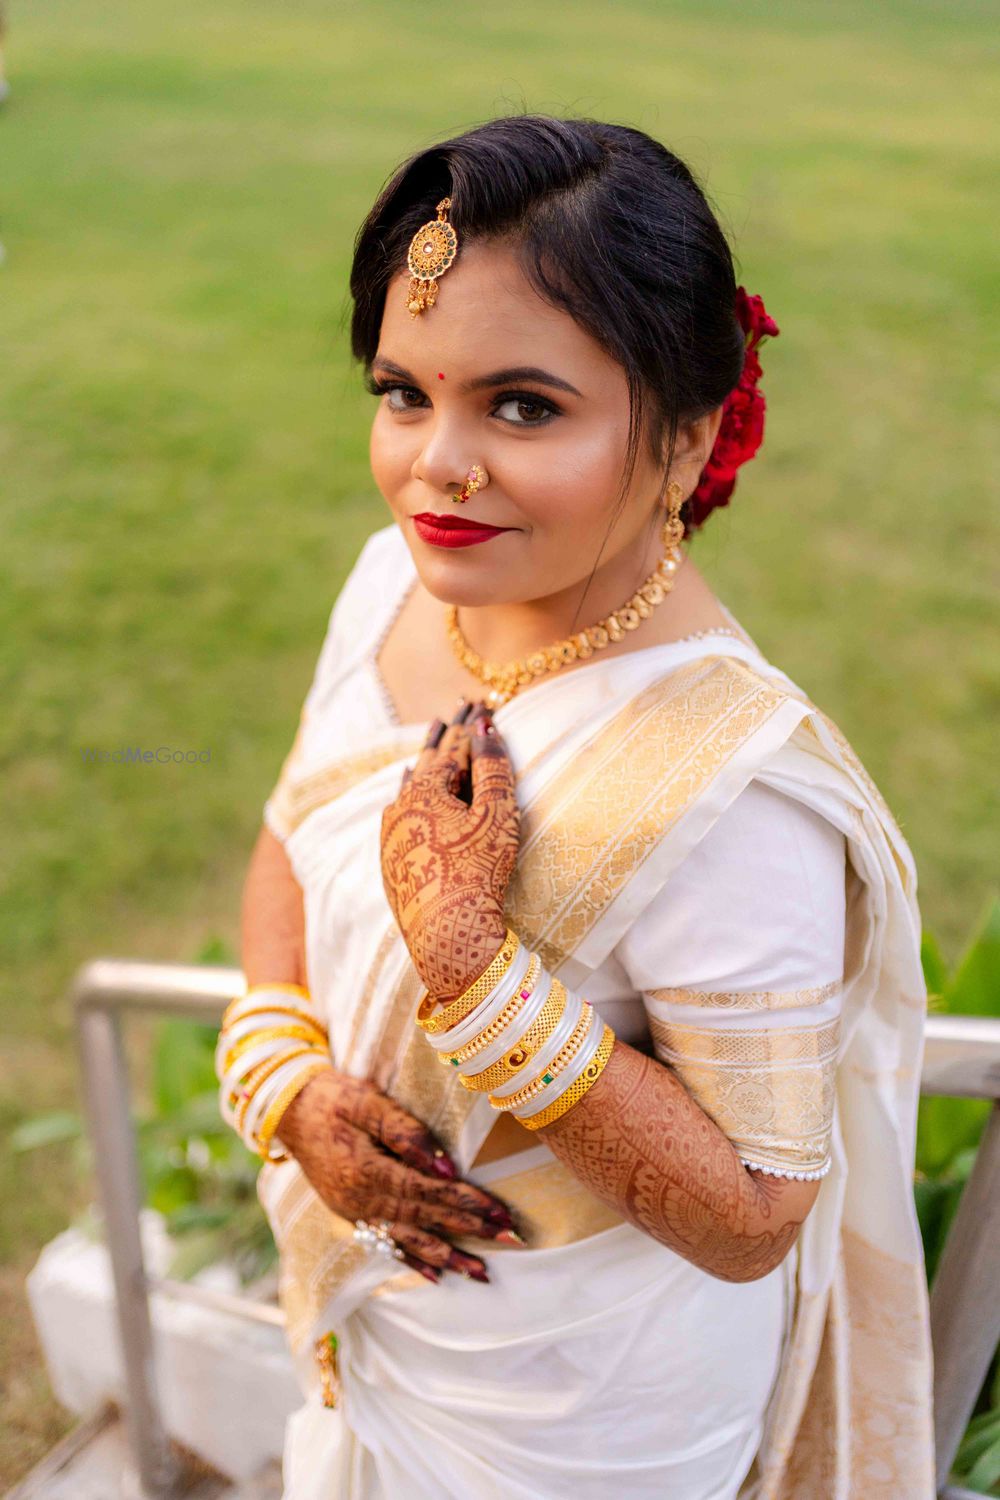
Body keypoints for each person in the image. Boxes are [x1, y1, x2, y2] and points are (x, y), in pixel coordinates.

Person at [218, 115, 935, 1498]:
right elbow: (289, 837)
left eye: (523, 406)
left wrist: (475, 978)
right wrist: (284, 1078)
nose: (439, 464)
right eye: (403, 391)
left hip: (581, 1421)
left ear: (685, 436)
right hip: (382, 1336)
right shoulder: (399, 581)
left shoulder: (722, 786)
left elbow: (751, 1219)